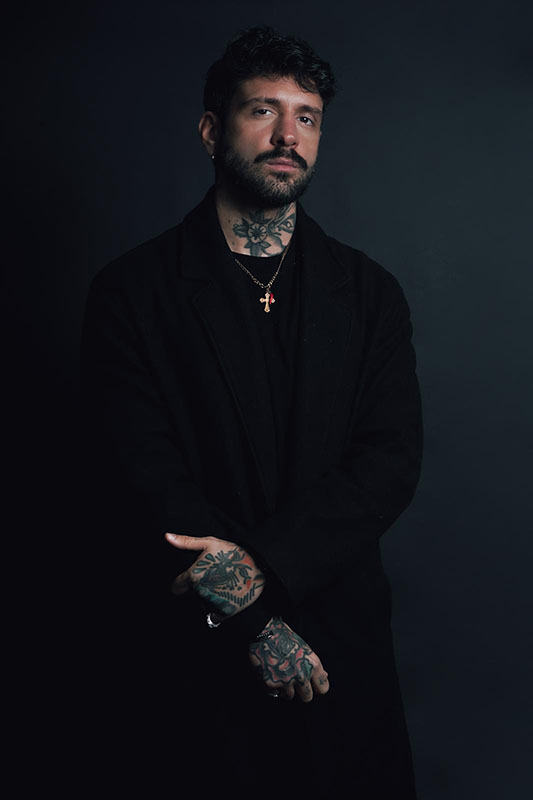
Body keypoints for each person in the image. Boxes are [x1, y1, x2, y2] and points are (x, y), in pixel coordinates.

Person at [81, 25, 423, 798]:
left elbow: (388, 462)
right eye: (262, 110)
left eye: (306, 117)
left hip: (338, 650)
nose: (286, 136)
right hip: (190, 659)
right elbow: (141, 472)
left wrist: (262, 577)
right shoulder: (131, 293)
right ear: (211, 130)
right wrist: (253, 623)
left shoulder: (370, 294)